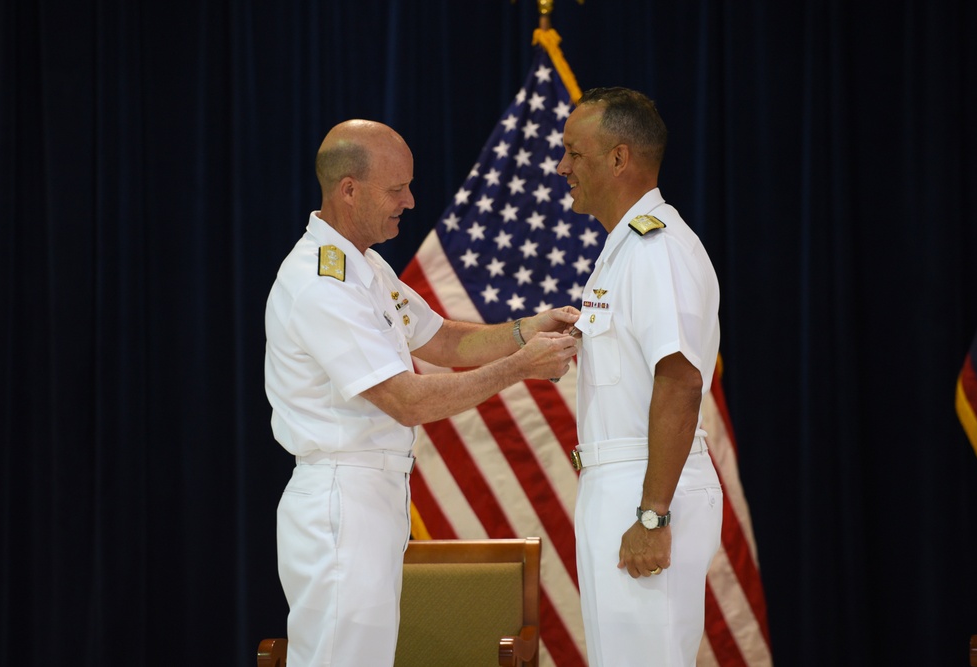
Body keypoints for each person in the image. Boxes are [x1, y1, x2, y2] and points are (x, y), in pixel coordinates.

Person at [264, 118, 579, 666]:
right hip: (342, 498)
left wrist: (528, 328)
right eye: (397, 188)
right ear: (349, 189)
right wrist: (520, 368)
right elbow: (406, 399)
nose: (410, 201)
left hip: (373, 497)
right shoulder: (321, 283)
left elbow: (445, 340)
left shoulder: (365, 264)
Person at [557, 87, 724, 666]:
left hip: (648, 488)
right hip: (624, 484)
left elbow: (680, 381)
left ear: (619, 158)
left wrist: (653, 514)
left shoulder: (656, 249)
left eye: (574, 154)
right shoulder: (622, 249)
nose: (562, 167)